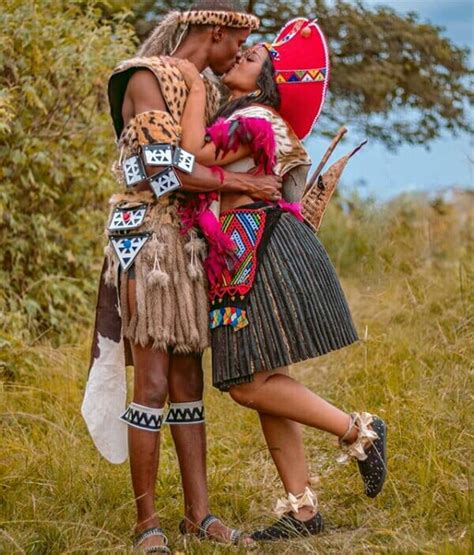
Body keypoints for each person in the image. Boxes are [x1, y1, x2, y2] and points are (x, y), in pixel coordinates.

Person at [172, 17, 388, 541]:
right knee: (267, 379)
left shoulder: (256, 120)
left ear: (267, 82)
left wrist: (194, 83)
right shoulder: (247, 114)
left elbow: (189, 159)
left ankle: (359, 431)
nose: (238, 60)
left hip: (258, 251)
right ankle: (304, 511)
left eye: (251, 59)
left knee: (247, 384)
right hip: (248, 249)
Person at [81, 2, 282, 553]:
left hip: (189, 242)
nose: (238, 57)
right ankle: (147, 526)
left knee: (188, 383)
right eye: (235, 47)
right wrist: (235, 182)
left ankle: (200, 516)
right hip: (145, 238)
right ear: (214, 32)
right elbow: (162, 166)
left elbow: (197, 158)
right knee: (150, 381)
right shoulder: (144, 76)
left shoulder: (203, 89)